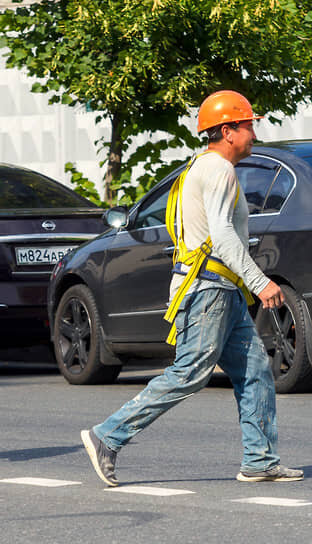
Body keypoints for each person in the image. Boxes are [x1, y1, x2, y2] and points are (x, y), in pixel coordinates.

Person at [81, 90, 303, 486]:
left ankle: (260, 460)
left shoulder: (198, 167)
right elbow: (222, 237)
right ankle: (107, 436)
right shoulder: (218, 170)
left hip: (221, 290)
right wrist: (260, 281)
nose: (254, 133)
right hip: (208, 290)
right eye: (248, 125)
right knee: (189, 373)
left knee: (255, 373)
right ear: (227, 130)